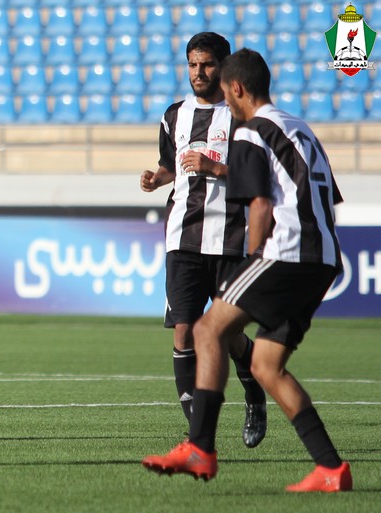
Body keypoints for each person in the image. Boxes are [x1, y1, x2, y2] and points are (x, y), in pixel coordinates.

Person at [142, 49, 351, 492]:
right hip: (324, 257)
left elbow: (259, 203)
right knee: (266, 364)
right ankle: (331, 469)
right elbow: (328, 197)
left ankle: (200, 447)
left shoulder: (253, 131)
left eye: (225, 89)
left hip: (286, 253)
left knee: (206, 329)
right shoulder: (300, 128)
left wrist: (255, 257)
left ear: (235, 88)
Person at [140, 32, 266, 447]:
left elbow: (261, 175)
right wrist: (157, 178)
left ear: (223, 67)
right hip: (183, 237)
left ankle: (254, 391)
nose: (198, 72)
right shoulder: (174, 115)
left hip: (230, 238)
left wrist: (216, 168)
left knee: (227, 333)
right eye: (193, 64)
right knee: (183, 331)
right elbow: (171, 165)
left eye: (207, 64)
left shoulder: (243, 116)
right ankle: (199, 436)